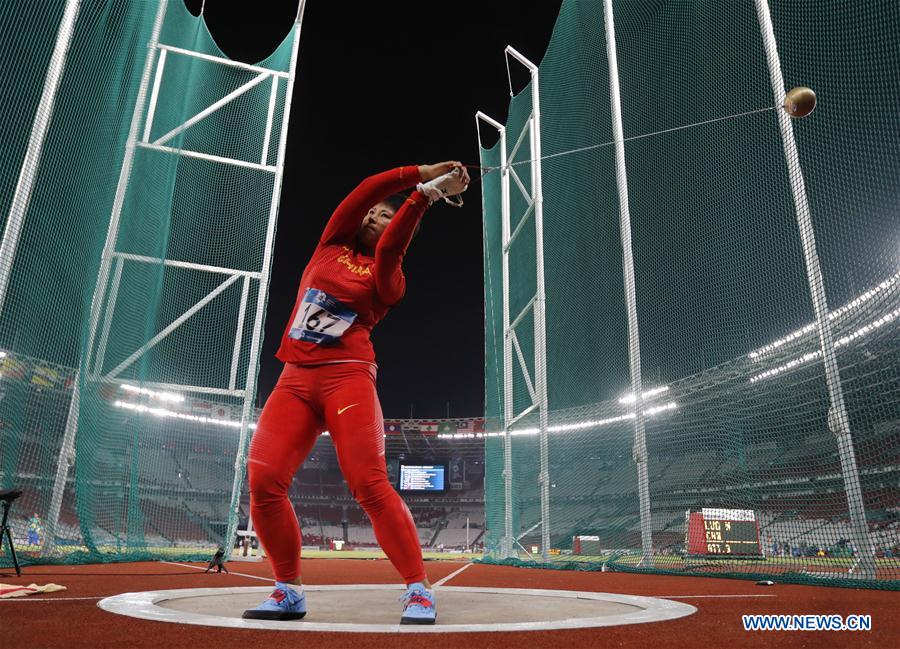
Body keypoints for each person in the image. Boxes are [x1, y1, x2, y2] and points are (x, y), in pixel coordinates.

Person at [242, 162, 469, 624]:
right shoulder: (327, 248)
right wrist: (419, 172)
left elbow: (390, 249)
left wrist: (423, 196)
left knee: (368, 484)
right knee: (263, 482)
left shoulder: (388, 279)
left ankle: (418, 590)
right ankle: (288, 590)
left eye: (385, 216)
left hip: (347, 380)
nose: (372, 216)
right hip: (295, 381)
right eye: (370, 215)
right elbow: (364, 190)